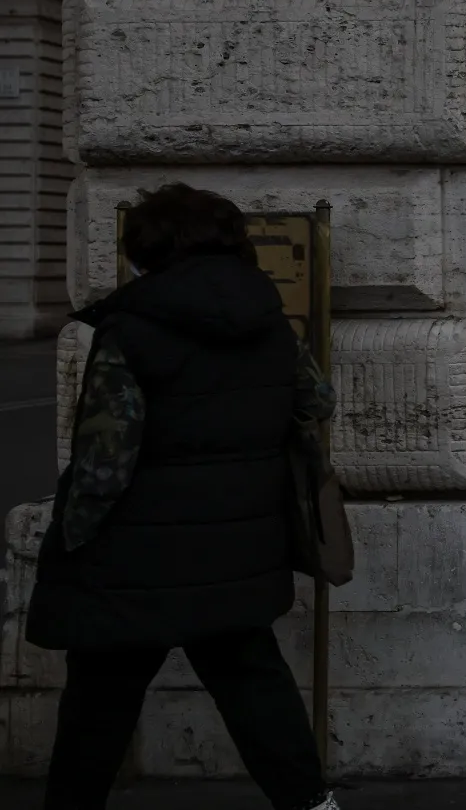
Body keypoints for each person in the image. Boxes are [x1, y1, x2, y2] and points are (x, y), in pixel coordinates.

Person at [29, 183, 338, 810]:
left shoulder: (129, 329)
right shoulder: (269, 321)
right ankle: (315, 806)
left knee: (100, 701)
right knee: (256, 688)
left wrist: (72, 536)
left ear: (149, 253)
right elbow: (315, 402)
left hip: (135, 556)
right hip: (238, 546)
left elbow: (105, 460)